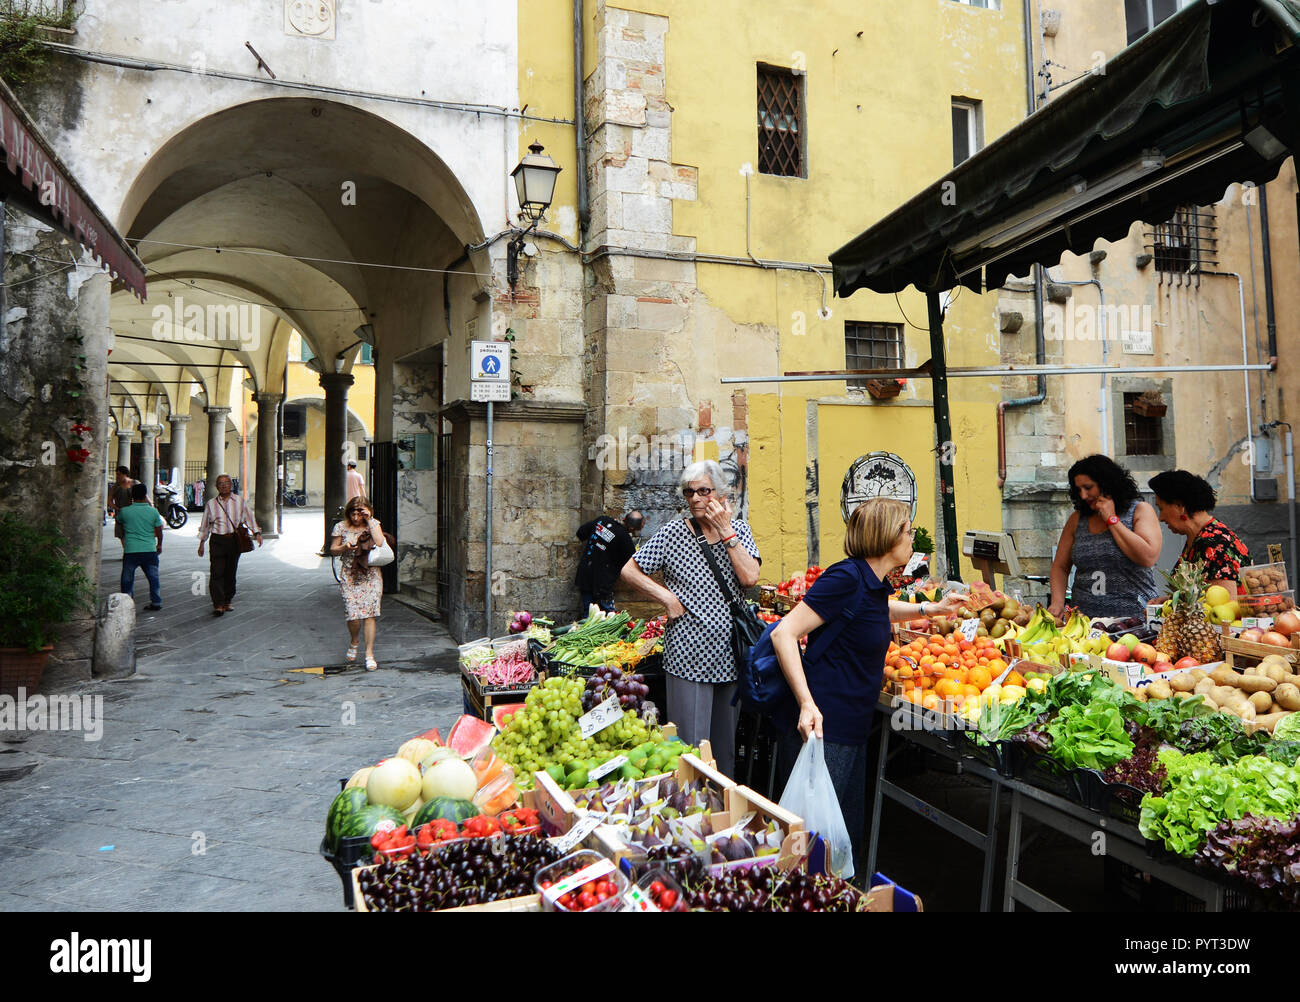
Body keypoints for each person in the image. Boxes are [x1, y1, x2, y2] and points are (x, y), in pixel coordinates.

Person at [770, 498, 970, 877]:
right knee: (814, 844)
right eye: (908, 531)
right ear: (887, 537)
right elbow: (785, 633)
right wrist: (807, 704)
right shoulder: (845, 577)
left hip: (851, 725)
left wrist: (932, 610)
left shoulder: (871, 581)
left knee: (840, 835)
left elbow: (879, 610)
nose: (912, 538)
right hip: (825, 725)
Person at [618, 460, 760, 778]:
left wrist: (726, 532)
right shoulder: (674, 533)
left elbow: (750, 577)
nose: (695, 499)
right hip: (687, 654)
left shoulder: (739, 531)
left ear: (720, 494)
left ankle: (724, 810)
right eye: (689, 492)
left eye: (703, 491)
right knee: (689, 745)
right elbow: (629, 569)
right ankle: (689, 811)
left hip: (730, 655)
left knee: (724, 749)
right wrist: (667, 598)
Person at [1049, 455, 1161, 621]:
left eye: (1088, 487)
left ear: (1107, 483)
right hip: (1084, 620)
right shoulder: (1077, 519)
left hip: (1134, 620)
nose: (1083, 495)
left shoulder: (1139, 511)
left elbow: (1148, 557)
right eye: (1078, 489)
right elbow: (1060, 567)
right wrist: (1057, 603)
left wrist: (1111, 519)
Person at [1148, 470, 1250, 595]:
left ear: (1180, 506)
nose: (1161, 518)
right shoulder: (1198, 537)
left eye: (1161, 509)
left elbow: (1225, 603)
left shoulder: (1216, 543)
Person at [330, 496, 386, 670]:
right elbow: (333, 550)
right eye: (352, 513)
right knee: (353, 614)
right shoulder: (340, 527)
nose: (355, 517)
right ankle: (354, 640)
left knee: (370, 614)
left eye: (359, 514)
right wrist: (345, 547)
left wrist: (369, 520)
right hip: (350, 574)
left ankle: (369, 654)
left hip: (371, 574)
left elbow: (380, 542)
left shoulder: (373, 523)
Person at [197, 474, 262, 616]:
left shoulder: (239, 502)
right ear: (216, 487)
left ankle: (227, 600)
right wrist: (202, 543)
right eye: (220, 483)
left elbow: (249, 517)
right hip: (217, 541)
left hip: (233, 540)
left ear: (231, 485)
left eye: (226, 483)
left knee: (230, 572)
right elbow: (205, 525)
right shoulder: (211, 504)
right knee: (216, 572)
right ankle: (218, 604)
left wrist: (256, 533)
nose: (224, 485)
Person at [575, 510, 644, 613]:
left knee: (588, 615)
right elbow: (632, 564)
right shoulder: (624, 538)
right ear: (632, 528)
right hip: (603, 583)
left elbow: (581, 533)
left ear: (624, 518)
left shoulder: (602, 520)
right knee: (608, 617)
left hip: (585, 575)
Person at [117, 482, 164, 611]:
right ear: (145, 495)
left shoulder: (125, 512)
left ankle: (126, 603)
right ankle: (156, 602)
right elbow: (159, 530)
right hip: (149, 550)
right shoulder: (153, 512)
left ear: (132, 495)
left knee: (127, 579)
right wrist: (159, 545)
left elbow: (119, 520)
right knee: (153, 578)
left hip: (131, 550)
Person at [107, 466, 136, 550]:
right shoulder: (116, 486)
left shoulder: (134, 483)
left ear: (125, 474)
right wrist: (117, 508)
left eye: (119, 474)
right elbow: (110, 501)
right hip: (120, 513)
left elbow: (143, 496)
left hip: (133, 513)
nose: (117, 477)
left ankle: (131, 550)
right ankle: (127, 551)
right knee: (121, 534)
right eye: (116, 475)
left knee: (131, 532)